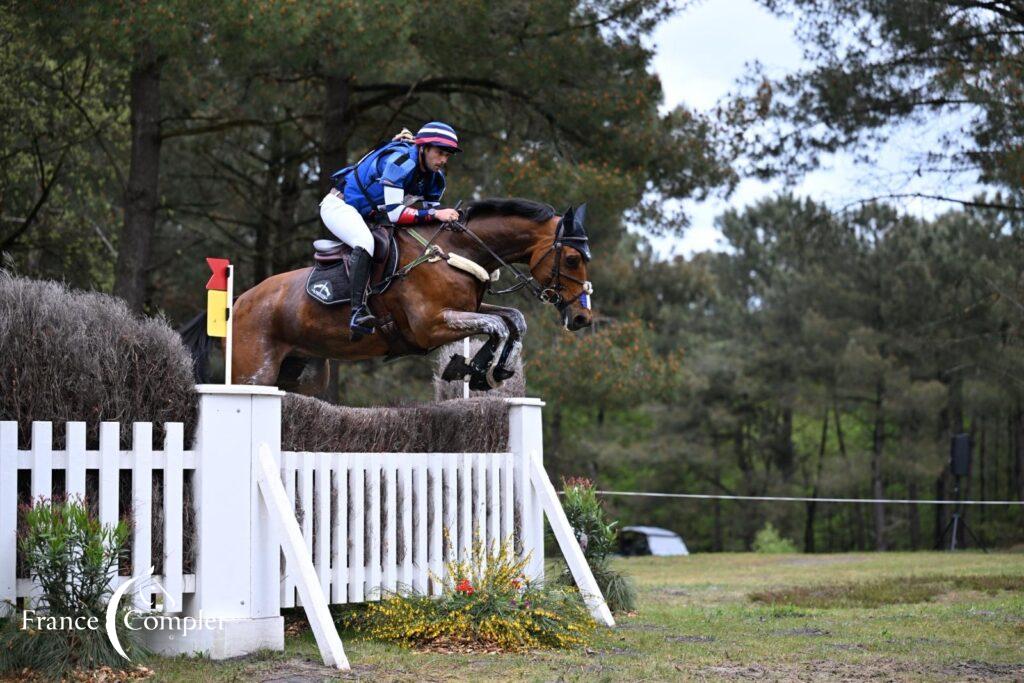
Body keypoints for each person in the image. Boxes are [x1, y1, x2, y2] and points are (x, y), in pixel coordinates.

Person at [320, 121, 462, 340]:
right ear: (423, 147)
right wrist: (435, 214)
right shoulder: (401, 162)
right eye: (440, 152)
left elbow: (431, 220)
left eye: (448, 155)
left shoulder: (436, 179)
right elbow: (397, 214)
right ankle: (357, 313)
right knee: (364, 242)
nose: (443, 160)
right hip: (340, 206)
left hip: (371, 216)